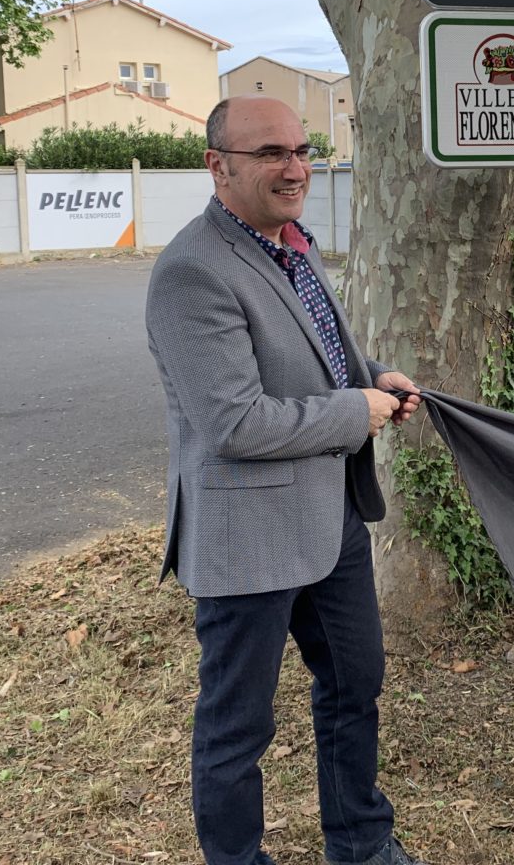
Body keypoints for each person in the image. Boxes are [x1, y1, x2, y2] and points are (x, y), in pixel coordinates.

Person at [146, 96, 427, 865]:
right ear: (219, 166)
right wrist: (354, 410)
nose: (296, 167)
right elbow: (235, 423)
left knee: (354, 688)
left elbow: (320, 355)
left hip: (330, 521)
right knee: (238, 727)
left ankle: (361, 844)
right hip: (247, 537)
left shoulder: (290, 245)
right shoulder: (191, 272)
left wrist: (375, 378)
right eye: (271, 152)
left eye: (302, 149)